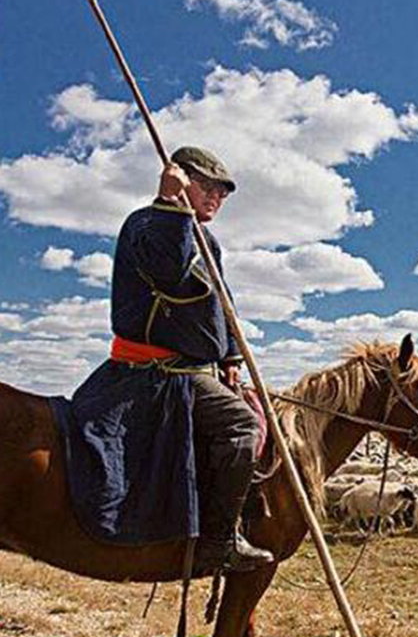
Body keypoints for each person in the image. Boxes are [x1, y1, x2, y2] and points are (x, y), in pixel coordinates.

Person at [104, 146, 274, 572]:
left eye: (223, 193)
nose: (217, 198)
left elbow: (221, 304)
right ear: (179, 178)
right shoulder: (147, 223)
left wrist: (230, 356)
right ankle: (219, 543)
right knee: (241, 423)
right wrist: (169, 205)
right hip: (157, 372)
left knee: (256, 412)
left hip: (198, 370)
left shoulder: (205, 239)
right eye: (208, 187)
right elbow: (170, 272)